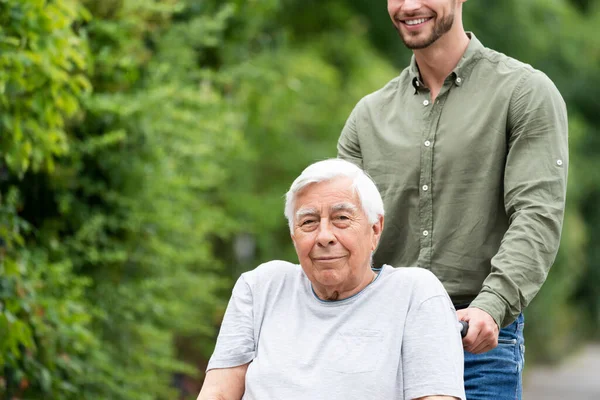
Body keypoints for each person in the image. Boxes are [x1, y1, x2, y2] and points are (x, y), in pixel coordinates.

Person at [337, 1, 568, 399]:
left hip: (474, 341)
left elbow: (536, 214)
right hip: (379, 339)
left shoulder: (524, 92)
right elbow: (340, 230)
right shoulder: (367, 117)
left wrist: (492, 305)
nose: (409, 6)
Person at [197, 158, 466, 400]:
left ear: (375, 229)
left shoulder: (414, 293)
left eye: (341, 218)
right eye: (309, 222)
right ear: (294, 235)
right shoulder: (260, 287)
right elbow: (218, 392)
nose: (324, 236)